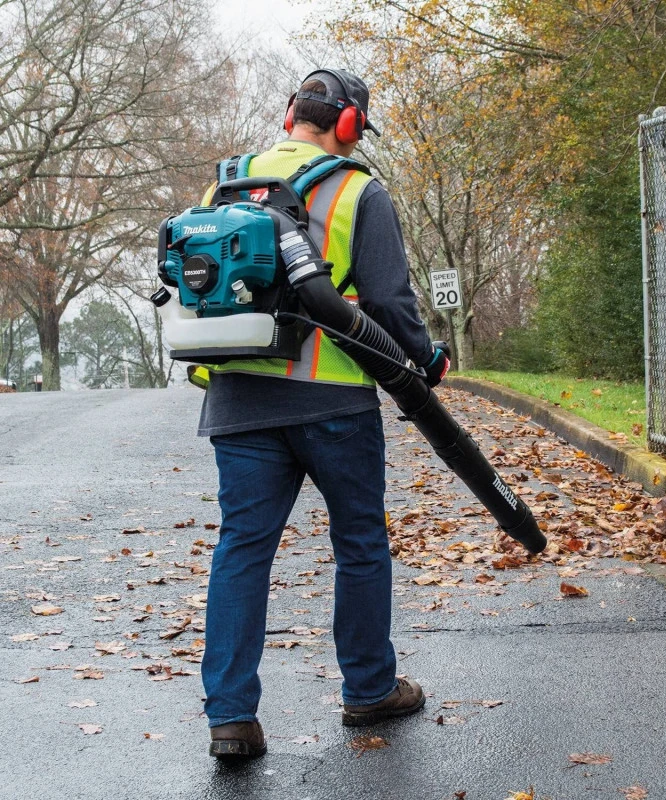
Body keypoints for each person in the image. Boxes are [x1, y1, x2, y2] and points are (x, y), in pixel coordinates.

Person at [196, 68, 451, 759]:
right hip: (334, 399)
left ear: (289, 115)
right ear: (348, 126)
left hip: (240, 400)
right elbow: (392, 305)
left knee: (242, 550)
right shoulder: (357, 190)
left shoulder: (227, 181)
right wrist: (427, 363)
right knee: (360, 542)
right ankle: (369, 688)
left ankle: (231, 718)